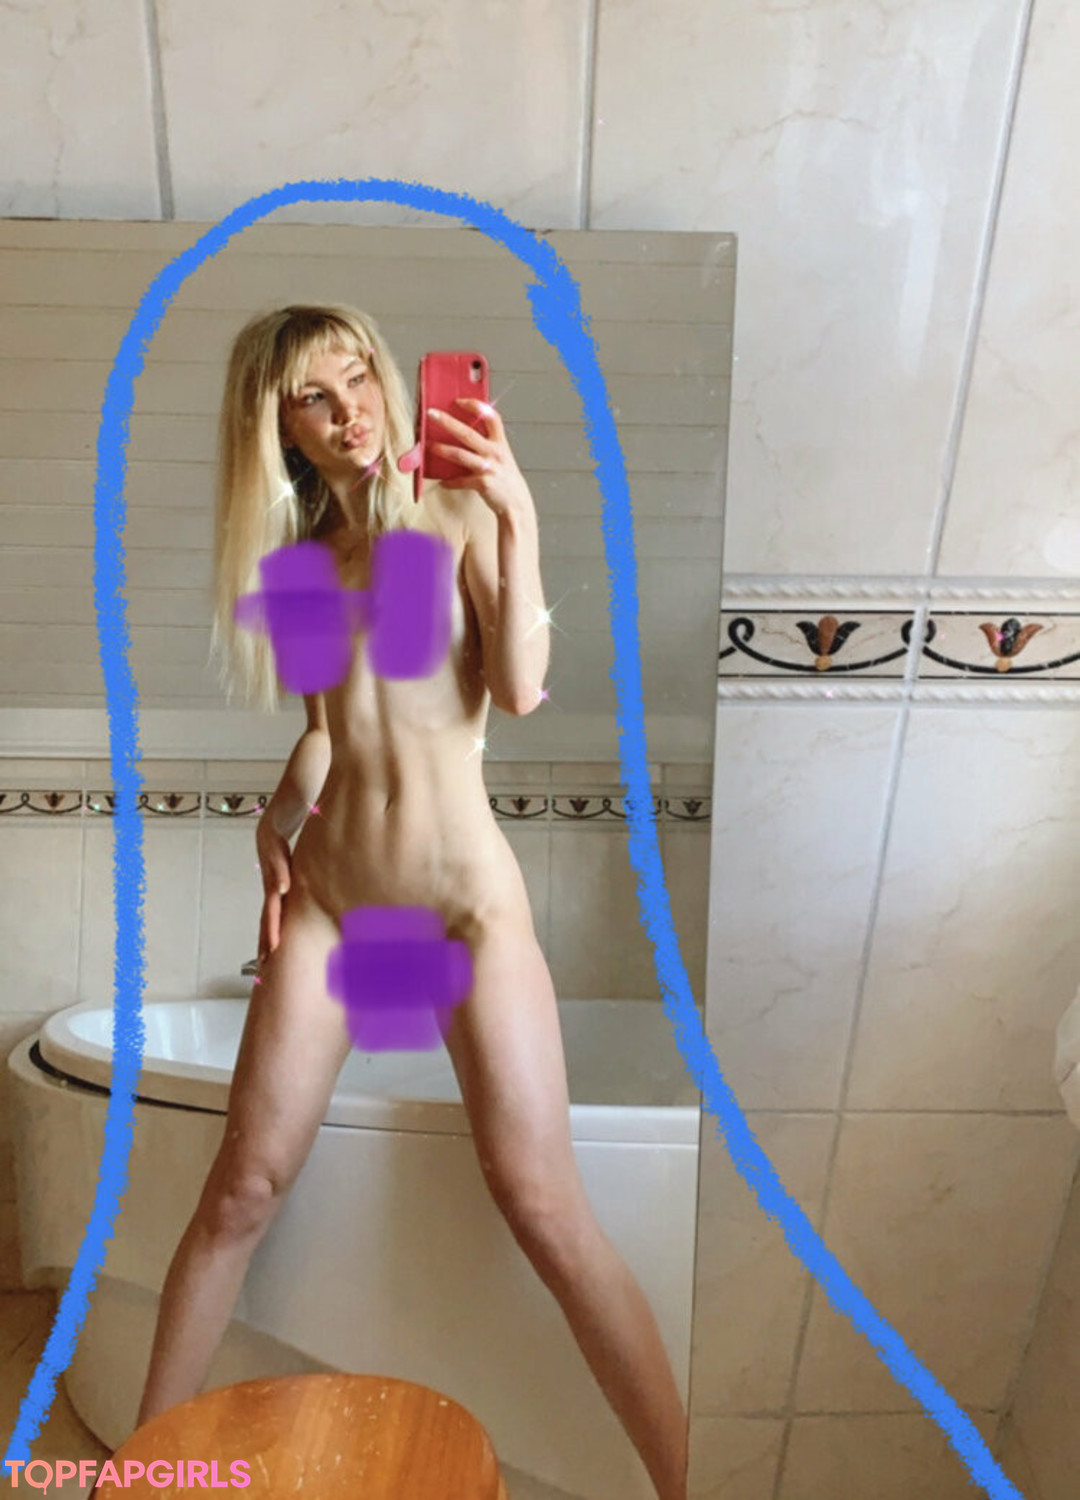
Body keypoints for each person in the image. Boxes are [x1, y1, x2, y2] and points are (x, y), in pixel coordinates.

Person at [134, 304, 688, 1500]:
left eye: (359, 379)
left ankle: (688, 1476)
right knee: (242, 1188)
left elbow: (523, 688)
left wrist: (518, 510)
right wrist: (273, 822)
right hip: (338, 911)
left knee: (540, 1201)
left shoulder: (458, 514)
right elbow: (329, 733)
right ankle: (136, 1474)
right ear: (279, 430)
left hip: (456, 910)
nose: (351, 411)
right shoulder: (296, 568)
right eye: (315, 397)